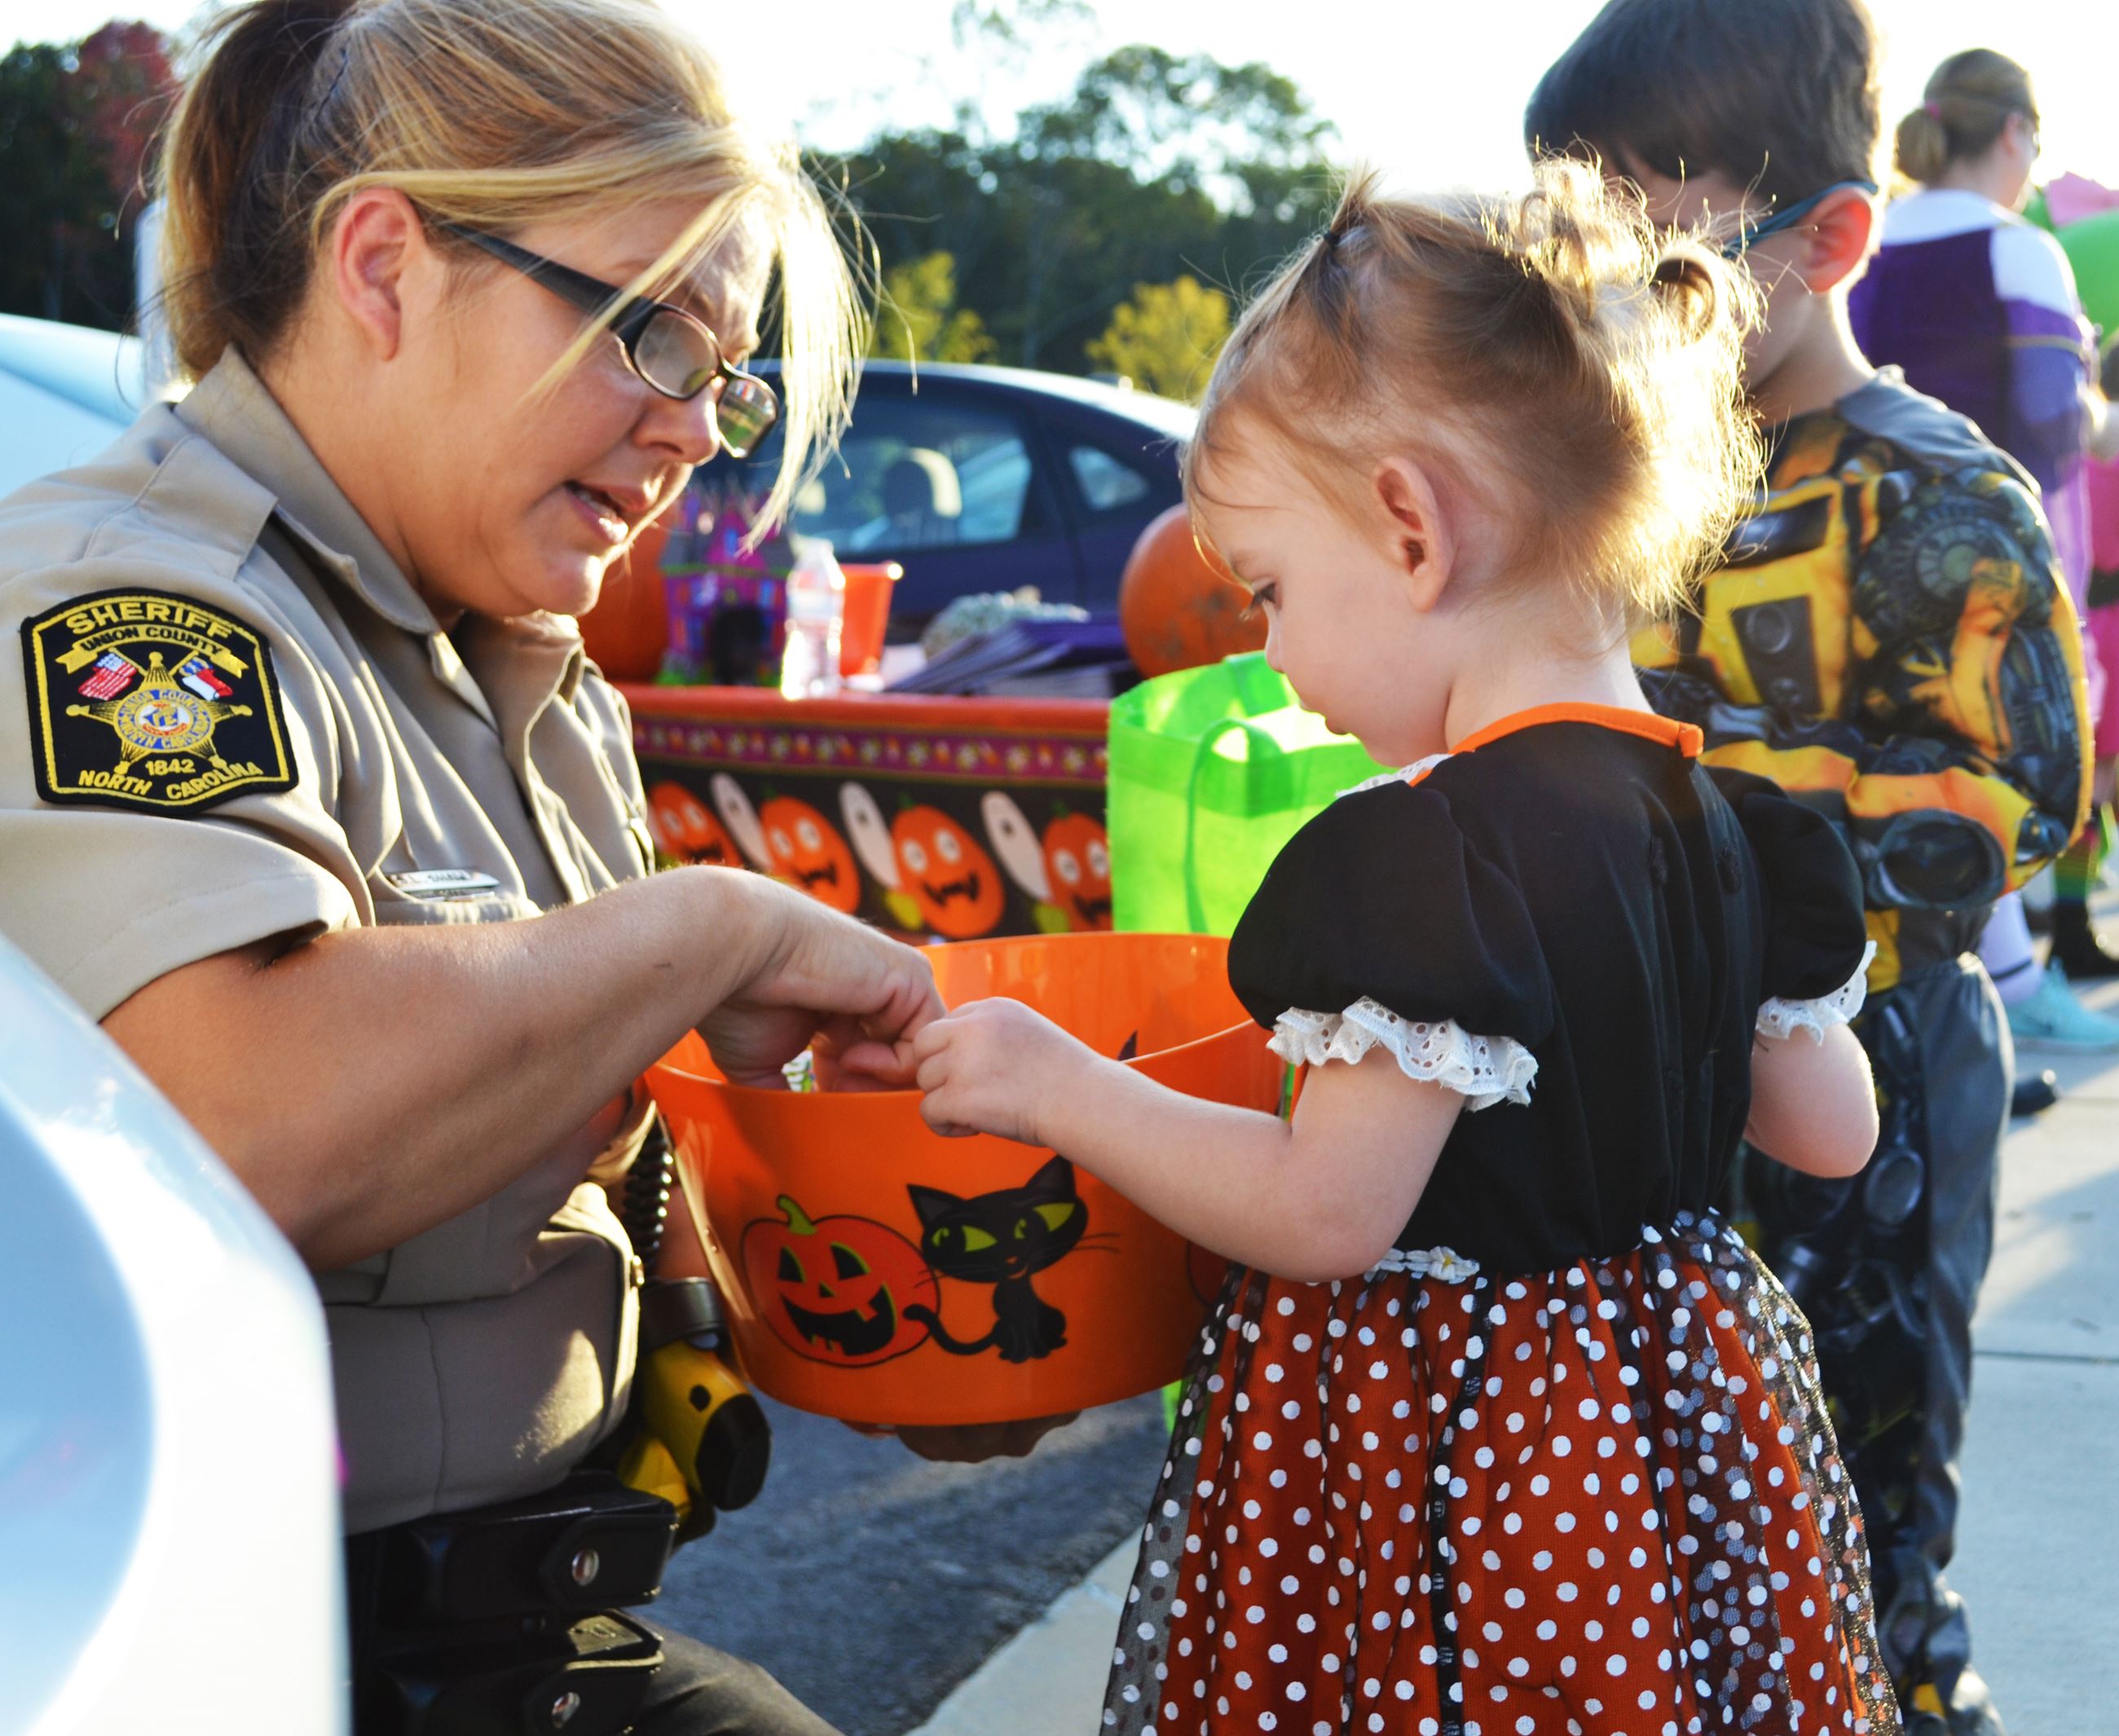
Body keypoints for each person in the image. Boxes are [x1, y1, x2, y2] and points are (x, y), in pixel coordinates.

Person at [0, 1, 1050, 1729]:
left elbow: (593, 1151)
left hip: (532, 1630)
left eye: (723, 372)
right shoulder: (137, 616)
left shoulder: (534, 682)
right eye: (650, 335)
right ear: (386, 266)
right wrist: (706, 932)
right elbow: (242, 1122)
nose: (698, 430)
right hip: (251, 1653)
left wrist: (904, 1315)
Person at [911, 160, 1900, 1736]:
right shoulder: (1736, 829)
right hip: (1666, 1428)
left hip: (1462, 1451)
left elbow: (1327, 1212)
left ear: (1409, 531)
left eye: (1276, 591)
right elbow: (1831, 1132)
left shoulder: (1419, 859)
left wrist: (1055, 1088)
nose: (1272, 646)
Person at [1524, 6, 2092, 1734]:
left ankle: (1903, 1686)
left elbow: (2027, 789)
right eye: (1579, 261)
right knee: (1687, 1476)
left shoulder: (1933, 491)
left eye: (1660, 268)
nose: (1608, 312)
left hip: (1886, 1066)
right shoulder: (1622, 479)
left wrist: (1742, 843)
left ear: (1829, 238)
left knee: (1863, 1466)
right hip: (1657, 1065)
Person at [1850, 50, 2119, 1049]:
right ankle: (2009, 989)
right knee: (1997, 772)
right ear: (2011, 133)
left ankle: (1971, 993)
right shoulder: (2017, 250)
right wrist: (2103, 416)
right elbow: (2055, 423)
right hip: (1999, 561)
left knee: (1911, 768)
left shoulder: (1868, 240)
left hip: (1863, 551)